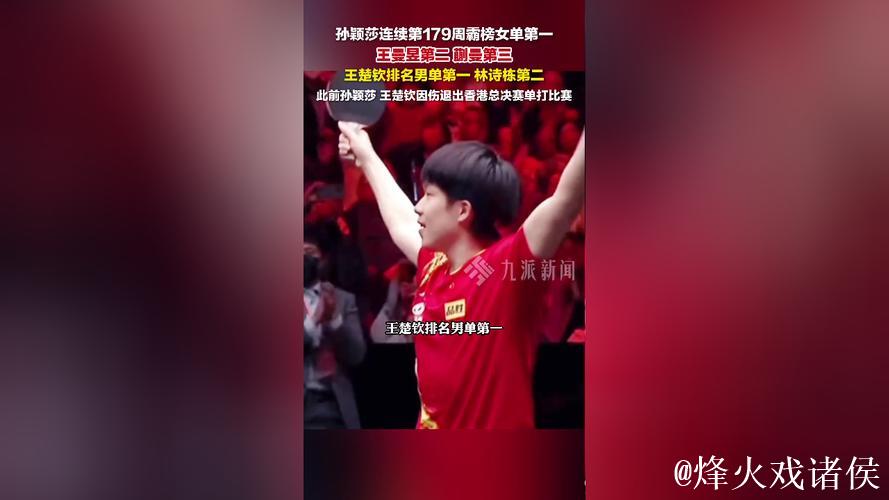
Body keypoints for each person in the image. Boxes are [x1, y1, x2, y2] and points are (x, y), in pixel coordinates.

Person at [337, 120, 584, 429]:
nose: (418, 207)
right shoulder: (435, 265)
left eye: (429, 195)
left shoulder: (505, 270)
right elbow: (401, 222)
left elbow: (565, 200)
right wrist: (366, 154)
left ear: (462, 211)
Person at [303, 253, 366, 429]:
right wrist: (314, 320)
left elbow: (356, 355)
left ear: (324, 260)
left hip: (329, 402)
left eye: (309, 252)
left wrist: (333, 320)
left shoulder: (343, 299)